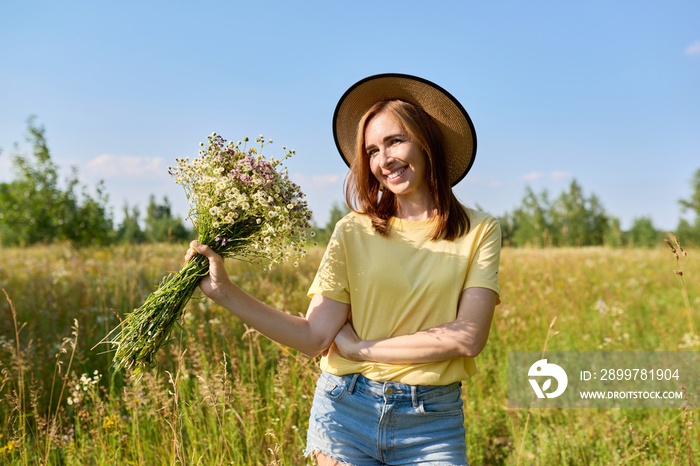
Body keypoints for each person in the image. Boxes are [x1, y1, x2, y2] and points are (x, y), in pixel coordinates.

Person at [186, 73, 501, 466]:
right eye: (371, 150)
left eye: (395, 141)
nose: (383, 160)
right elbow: (315, 335)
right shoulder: (353, 230)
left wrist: (361, 348)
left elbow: (468, 337)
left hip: (431, 422)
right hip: (347, 409)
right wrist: (223, 292)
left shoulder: (479, 230)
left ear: (426, 141)